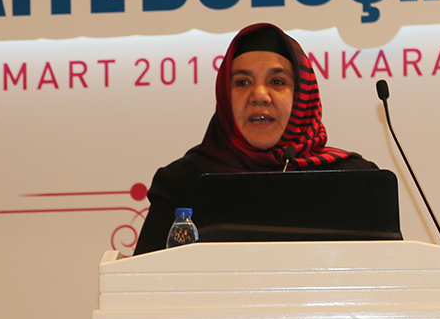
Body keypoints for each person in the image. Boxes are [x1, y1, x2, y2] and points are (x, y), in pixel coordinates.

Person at [132, 22, 378, 254]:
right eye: (242, 82)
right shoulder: (184, 182)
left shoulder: (356, 179)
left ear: (302, 95)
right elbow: (143, 280)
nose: (259, 95)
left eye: (277, 82)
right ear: (225, 96)